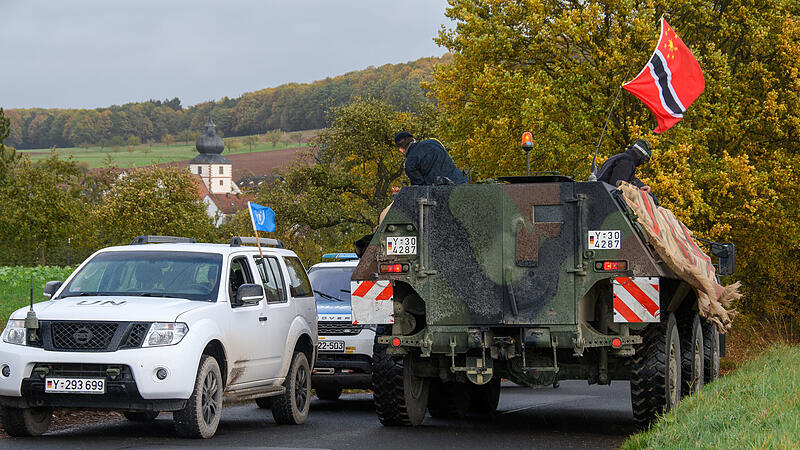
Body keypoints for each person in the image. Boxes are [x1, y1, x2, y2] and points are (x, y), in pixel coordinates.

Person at [394, 131, 468, 187]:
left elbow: (420, 188)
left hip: (441, 192)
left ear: (401, 149)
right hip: (460, 182)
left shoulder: (409, 163)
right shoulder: (434, 142)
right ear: (413, 139)